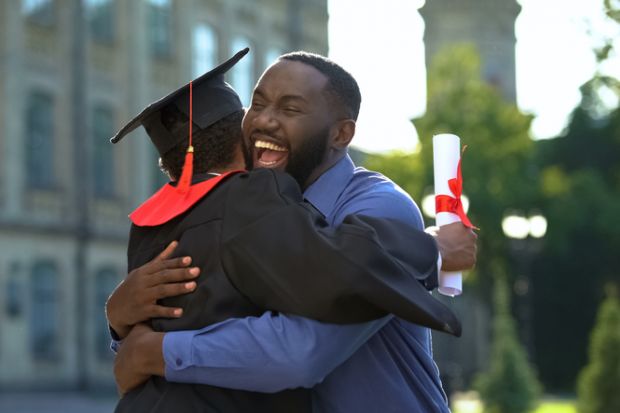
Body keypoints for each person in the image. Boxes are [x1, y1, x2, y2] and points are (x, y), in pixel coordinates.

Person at [109, 51, 477, 412]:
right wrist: (120, 319)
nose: (264, 121)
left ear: (341, 133)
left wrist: (155, 352)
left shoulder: (378, 207)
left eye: (290, 108)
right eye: (257, 104)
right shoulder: (240, 213)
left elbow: (301, 351)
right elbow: (197, 313)